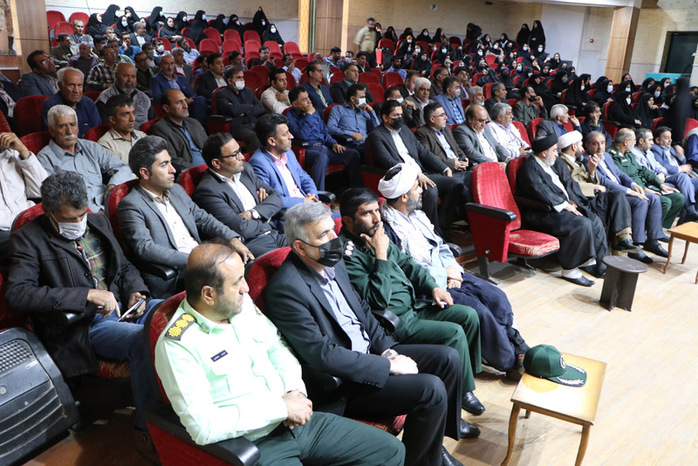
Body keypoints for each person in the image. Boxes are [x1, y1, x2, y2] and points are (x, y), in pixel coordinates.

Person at [154, 242, 405, 464]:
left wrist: (295, 392)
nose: (246, 288)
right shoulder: (179, 343)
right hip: (255, 444)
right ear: (209, 294)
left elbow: (278, 347)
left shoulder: (240, 305)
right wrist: (280, 408)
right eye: (237, 282)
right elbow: (203, 427)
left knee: (390, 451)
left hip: (296, 421)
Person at [264, 202, 469, 466]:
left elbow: (361, 311)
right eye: (323, 235)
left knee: (447, 358)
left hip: (370, 353)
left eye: (333, 230)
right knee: (430, 389)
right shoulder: (286, 289)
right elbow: (322, 355)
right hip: (344, 382)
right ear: (300, 247)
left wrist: (387, 351)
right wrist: (386, 366)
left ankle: (433, 446)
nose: (334, 239)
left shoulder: (334, 263)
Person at [5, 171, 159, 459]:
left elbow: (124, 265)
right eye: (69, 218)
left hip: (124, 307)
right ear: (49, 212)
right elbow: (19, 294)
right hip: (83, 324)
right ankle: (147, 429)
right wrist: (85, 295)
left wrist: (136, 291)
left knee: (174, 314)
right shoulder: (28, 239)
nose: (78, 222)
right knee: (144, 340)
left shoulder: (97, 222)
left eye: (81, 214)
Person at [339, 186, 489, 425]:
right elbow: (376, 300)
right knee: (453, 333)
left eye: (377, 210)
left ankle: (463, 385)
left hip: (414, 306)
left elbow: (409, 265)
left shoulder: (375, 234)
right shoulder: (347, 255)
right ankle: (456, 401)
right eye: (367, 213)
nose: (377, 218)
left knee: (468, 316)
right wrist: (380, 254)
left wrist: (433, 287)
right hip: (393, 322)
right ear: (348, 220)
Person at [377, 165, 529, 375]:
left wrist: (452, 268)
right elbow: (404, 271)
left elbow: (440, 245)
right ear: (404, 197)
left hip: (448, 272)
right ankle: (509, 361)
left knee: (496, 296)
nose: (421, 191)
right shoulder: (388, 229)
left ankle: (516, 344)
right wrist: (442, 276)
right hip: (428, 288)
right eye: (416, 188)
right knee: (479, 310)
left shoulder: (417, 215)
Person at [118, 135, 252, 298]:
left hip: (202, 262)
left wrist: (232, 239)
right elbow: (145, 248)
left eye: (170, 162)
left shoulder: (176, 190)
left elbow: (203, 219)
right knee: (232, 283)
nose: (173, 170)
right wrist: (194, 259)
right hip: (176, 273)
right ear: (145, 173)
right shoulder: (131, 204)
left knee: (246, 265)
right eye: (164, 165)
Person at [516, 133, 609, 286]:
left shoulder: (555, 162)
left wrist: (575, 201)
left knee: (594, 219)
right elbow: (541, 192)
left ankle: (599, 265)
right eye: (554, 150)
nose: (557, 153)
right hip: (543, 212)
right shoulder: (529, 168)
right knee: (582, 223)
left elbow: (569, 183)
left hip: (563, 206)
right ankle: (570, 270)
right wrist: (565, 205)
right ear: (544, 153)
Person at [368, 100, 471, 233]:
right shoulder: (376, 135)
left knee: (456, 184)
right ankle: (431, 231)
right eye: (396, 115)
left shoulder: (405, 130)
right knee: (431, 190)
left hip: (423, 173)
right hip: (404, 177)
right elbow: (388, 161)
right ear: (385, 117)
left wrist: (444, 168)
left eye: (401, 114)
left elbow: (423, 152)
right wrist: (415, 175)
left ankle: (442, 225)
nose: (400, 118)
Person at [192, 133, 287, 257]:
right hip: (251, 244)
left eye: (240, 151)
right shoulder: (208, 191)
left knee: (308, 247)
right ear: (216, 163)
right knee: (288, 259)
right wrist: (266, 215)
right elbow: (241, 229)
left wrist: (253, 213)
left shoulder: (245, 169)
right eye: (235, 154)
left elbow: (276, 197)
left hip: (274, 234)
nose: (242, 157)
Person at [583, 131, 667, 264]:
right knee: (640, 202)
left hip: (622, 191)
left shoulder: (606, 156)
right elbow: (604, 181)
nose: (600, 147)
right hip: (610, 197)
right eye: (595, 144)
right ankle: (636, 245)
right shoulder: (586, 159)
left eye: (602, 143)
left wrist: (633, 184)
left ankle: (653, 240)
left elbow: (620, 173)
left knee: (653, 199)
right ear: (587, 145)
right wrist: (628, 191)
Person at [37, 105, 131, 212]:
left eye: (72, 125)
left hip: (109, 204)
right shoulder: (45, 158)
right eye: (62, 126)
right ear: (52, 130)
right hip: (79, 213)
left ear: (78, 127)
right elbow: (53, 198)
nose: (69, 131)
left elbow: (123, 168)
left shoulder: (91, 147)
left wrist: (112, 187)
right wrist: (93, 213)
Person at [557, 130, 637, 253]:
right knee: (616, 198)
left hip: (591, 196)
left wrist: (592, 171)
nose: (582, 148)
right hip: (581, 200)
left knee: (618, 196)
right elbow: (569, 184)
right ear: (574, 147)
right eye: (581, 145)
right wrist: (594, 187)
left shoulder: (576, 161)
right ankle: (618, 244)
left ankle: (624, 238)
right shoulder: (561, 163)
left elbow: (587, 179)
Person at [286, 87, 362, 190]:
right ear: (295, 104)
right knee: (322, 157)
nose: (309, 101)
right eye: (304, 99)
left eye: (308, 98)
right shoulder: (290, 117)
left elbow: (325, 133)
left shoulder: (313, 112)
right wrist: (309, 115)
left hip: (324, 148)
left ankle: (356, 191)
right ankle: (318, 194)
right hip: (307, 151)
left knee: (353, 154)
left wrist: (334, 144)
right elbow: (303, 135)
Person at [608, 128, 684, 230]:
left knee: (679, 198)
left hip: (645, 186)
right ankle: (650, 231)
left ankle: (659, 229)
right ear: (626, 142)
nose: (635, 143)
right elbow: (624, 179)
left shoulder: (628, 153)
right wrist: (645, 189)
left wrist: (660, 184)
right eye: (634, 140)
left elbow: (643, 171)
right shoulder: (612, 156)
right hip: (634, 190)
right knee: (665, 202)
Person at [249, 114, 321, 210]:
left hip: (307, 206)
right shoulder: (258, 163)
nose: (291, 136)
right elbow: (270, 199)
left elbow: (304, 178)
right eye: (285, 134)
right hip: (288, 213)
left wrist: (313, 195)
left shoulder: (288, 153)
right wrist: (304, 201)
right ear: (272, 141)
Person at [0, 132, 47, 263]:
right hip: (3, 231)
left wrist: (23, 150)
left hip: (29, 221)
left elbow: (43, 190)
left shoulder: (13, 154)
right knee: (34, 244)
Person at [642, 127, 698, 223]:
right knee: (683, 177)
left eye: (670, 137)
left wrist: (681, 156)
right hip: (668, 177)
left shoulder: (671, 148)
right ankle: (690, 209)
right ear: (658, 140)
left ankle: (689, 216)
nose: (670, 140)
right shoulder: (655, 149)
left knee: (693, 183)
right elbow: (663, 165)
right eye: (667, 138)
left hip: (682, 177)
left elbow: (683, 163)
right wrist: (679, 169)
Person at [150, 89, 208, 173]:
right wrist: (198, 170)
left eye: (185, 101)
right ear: (166, 108)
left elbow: (209, 147)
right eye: (179, 102)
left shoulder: (194, 123)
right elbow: (172, 160)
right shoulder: (161, 129)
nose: (185, 106)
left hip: (211, 166)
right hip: (192, 172)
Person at [213, 66, 264, 152]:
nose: (242, 80)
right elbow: (233, 110)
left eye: (242, 77)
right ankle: (249, 158)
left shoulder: (248, 91)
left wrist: (244, 111)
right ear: (230, 81)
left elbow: (260, 108)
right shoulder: (222, 94)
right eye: (238, 77)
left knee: (270, 132)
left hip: (254, 122)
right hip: (238, 126)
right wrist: (250, 106)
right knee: (255, 137)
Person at [40, 67, 100, 138]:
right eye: (71, 85)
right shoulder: (51, 106)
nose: (76, 90)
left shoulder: (89, 103)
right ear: (60, 86)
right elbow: (54, 136)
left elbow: (97, 131)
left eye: (80, 85)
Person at [150, 52, 207, 123]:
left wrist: (191, 99)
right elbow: (157, 98)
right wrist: (180, 101)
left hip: (188, 104)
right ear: (160, 65)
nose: (169, 67)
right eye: (166, 64)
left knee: (201, 99)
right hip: (174, 106)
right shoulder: (155, 80)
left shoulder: (181, 78)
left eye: (172, 63)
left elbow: (192, 93)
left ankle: (198, 125)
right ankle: (196, 124)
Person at [415, 102, 469, 173]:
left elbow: (456, 147)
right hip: (444, 171)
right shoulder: (422, 133)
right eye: (442, 115)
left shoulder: (446, 129)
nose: (446, 117)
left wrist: (464, 158)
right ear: (432, 119)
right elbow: (429, 157)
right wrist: (453, 163)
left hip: (460, 167)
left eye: (445, 114)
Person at [96, 62, 152, 128]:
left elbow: (153, 122)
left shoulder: (144, 98)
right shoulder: (104, 99)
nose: (130, 80)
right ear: (115, 75)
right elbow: (105, 127)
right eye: (125, 76)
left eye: (133, 76)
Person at [326, 83, 380, 153]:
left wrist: (371, 111)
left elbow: (377, 129)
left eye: (364, 97)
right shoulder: (338, 109)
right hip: (350, 144)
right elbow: (330, 128)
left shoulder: (363, 111)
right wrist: (351, 134)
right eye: (361, 97)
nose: (364, 100)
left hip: (366, 144)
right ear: (352, 99)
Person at [97, 94, 146, 164]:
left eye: (133, 113)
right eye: (126, 114)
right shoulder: (106, 145)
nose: (132, 119)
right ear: (113, 119)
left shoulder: (142, 136)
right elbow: (117, 170)